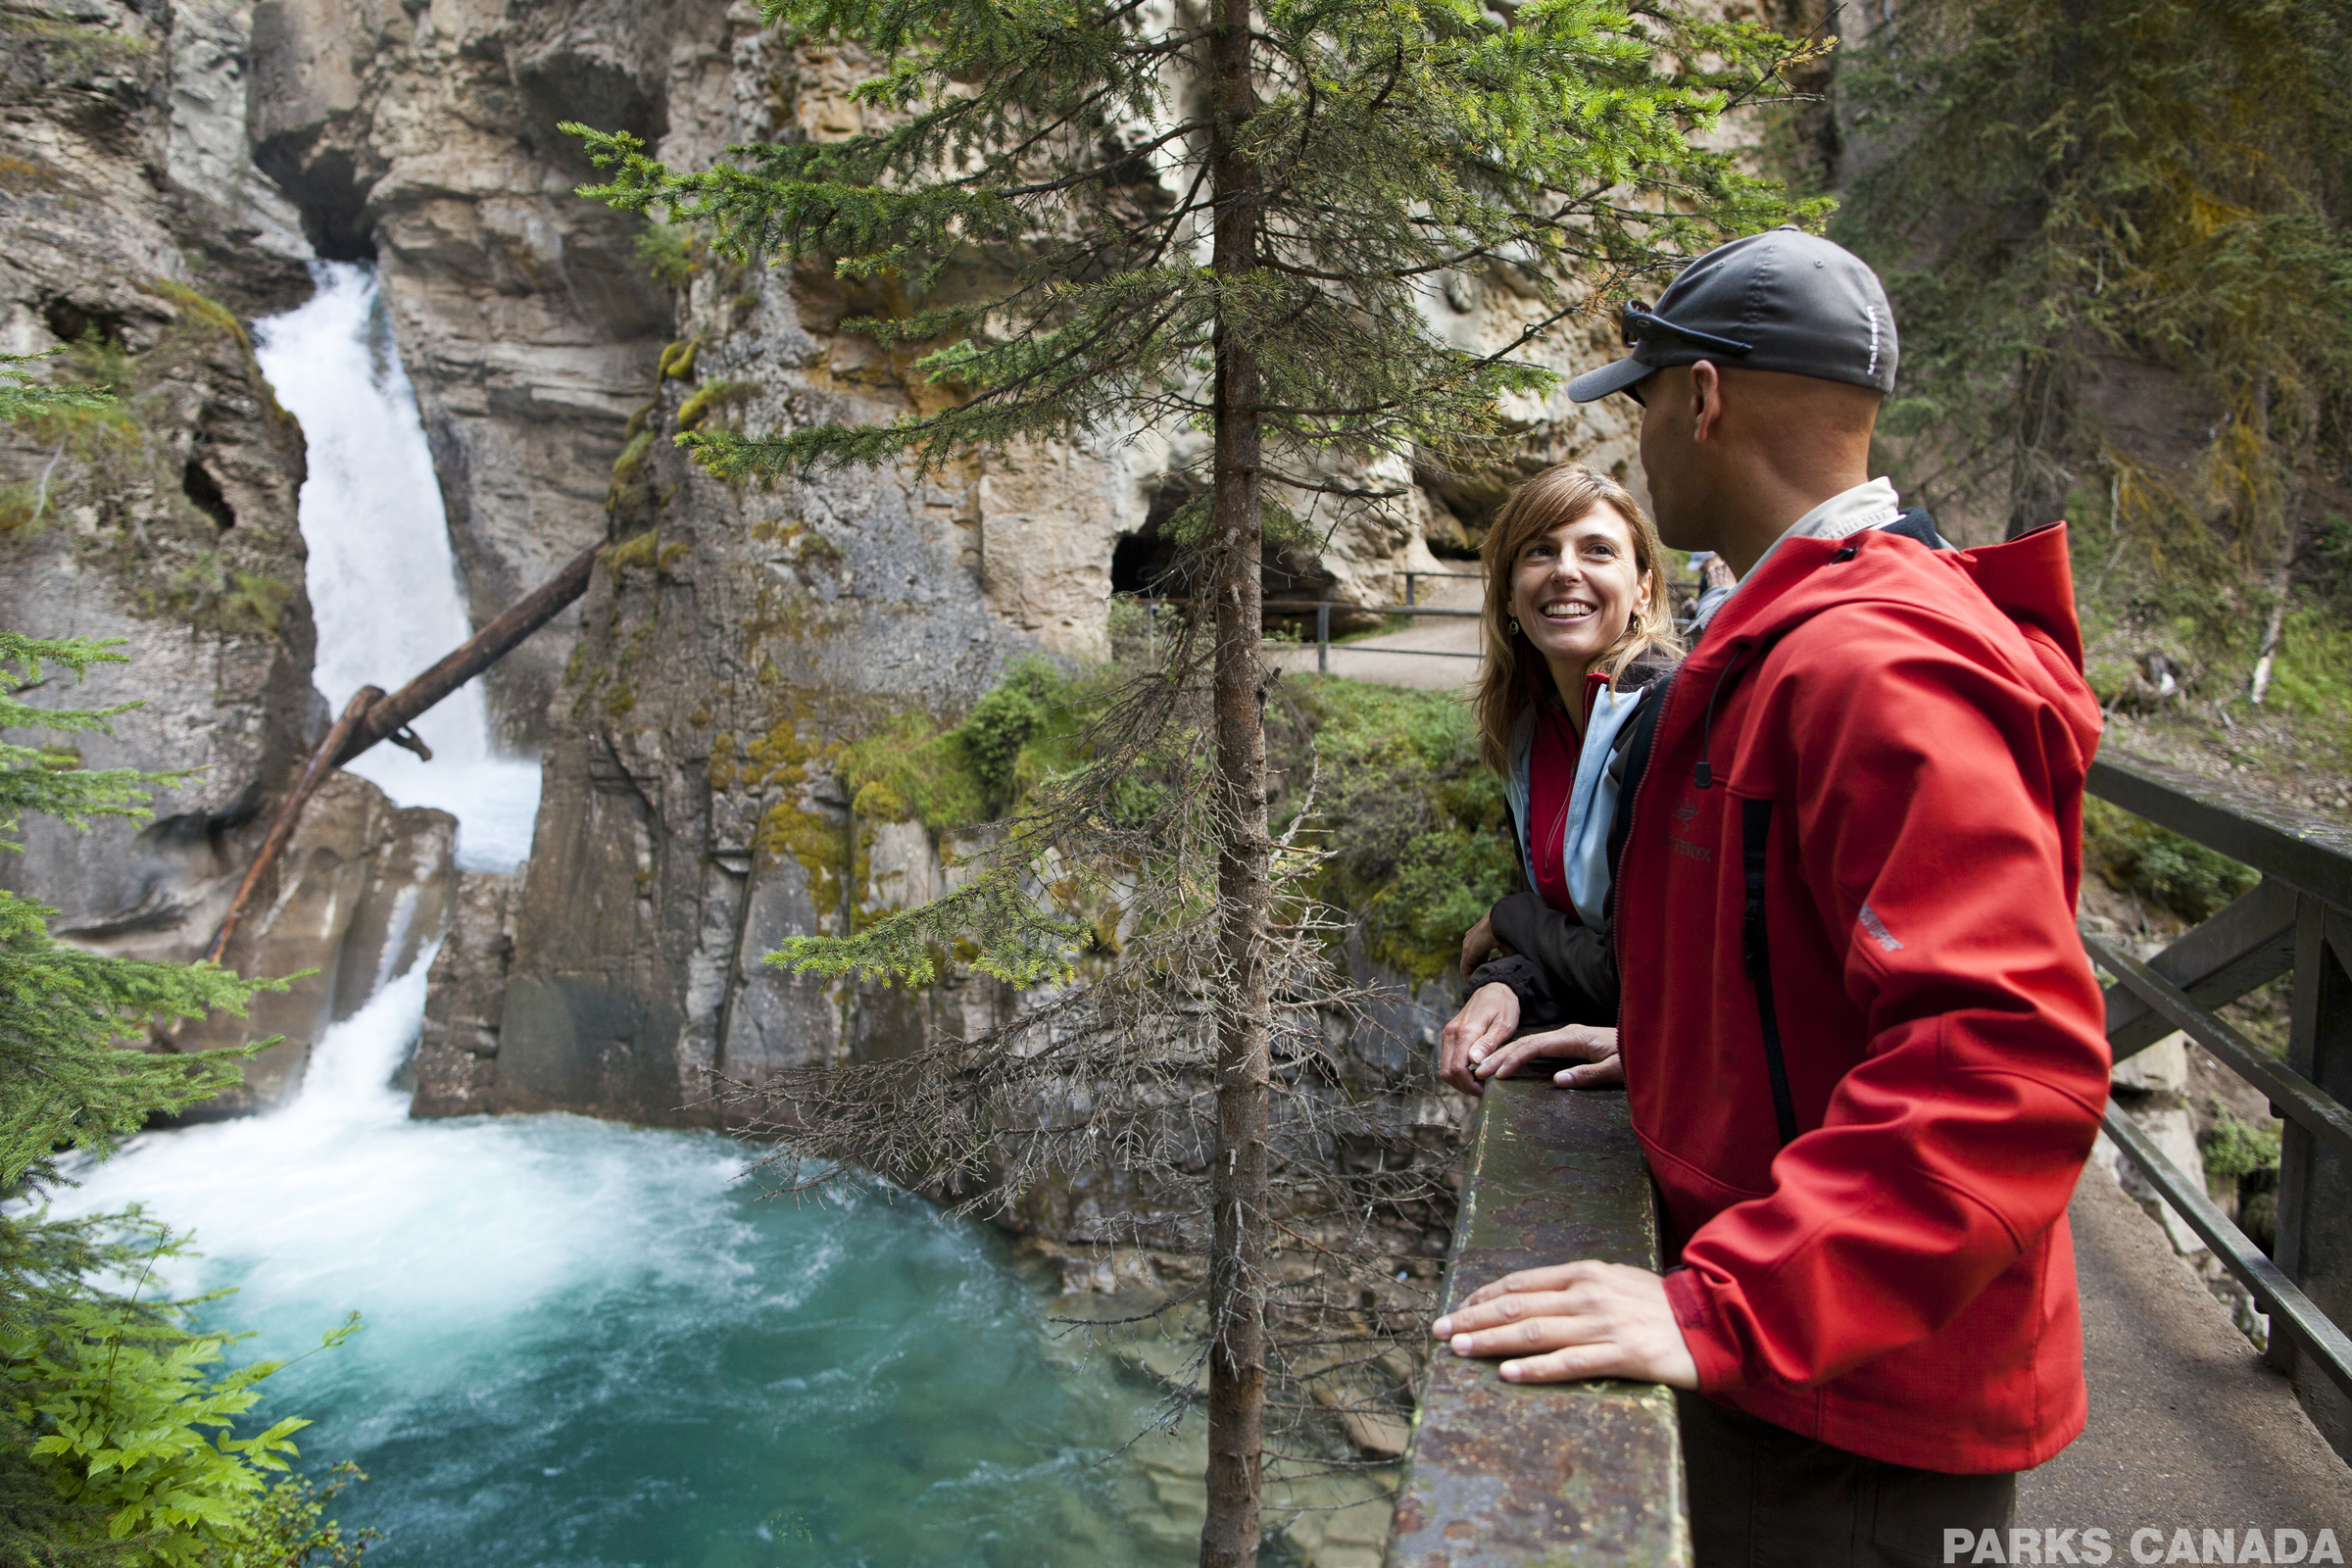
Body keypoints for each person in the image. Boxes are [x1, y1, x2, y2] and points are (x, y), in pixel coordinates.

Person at [1429, 227, 2111, 1566]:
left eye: (1642, 403)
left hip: (1844, 1403)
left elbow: (2009, 1063)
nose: (1639, 443)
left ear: (1704, 398)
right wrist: (1681, 1049)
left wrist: (1724, 1312)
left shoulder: (1869, 664)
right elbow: (1802, 954)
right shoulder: (1805, 637)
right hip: (1820, 1357)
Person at [1438, 464, 1680, 1098]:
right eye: (1540, 551)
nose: (1565, 570)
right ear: (1511, 593)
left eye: (1597, 550)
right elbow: (1565, 921)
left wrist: (1507, 916)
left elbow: (1623, 974)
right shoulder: (1528, 731)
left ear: (1644, 589)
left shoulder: (1664, 722)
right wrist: (1508, 980)